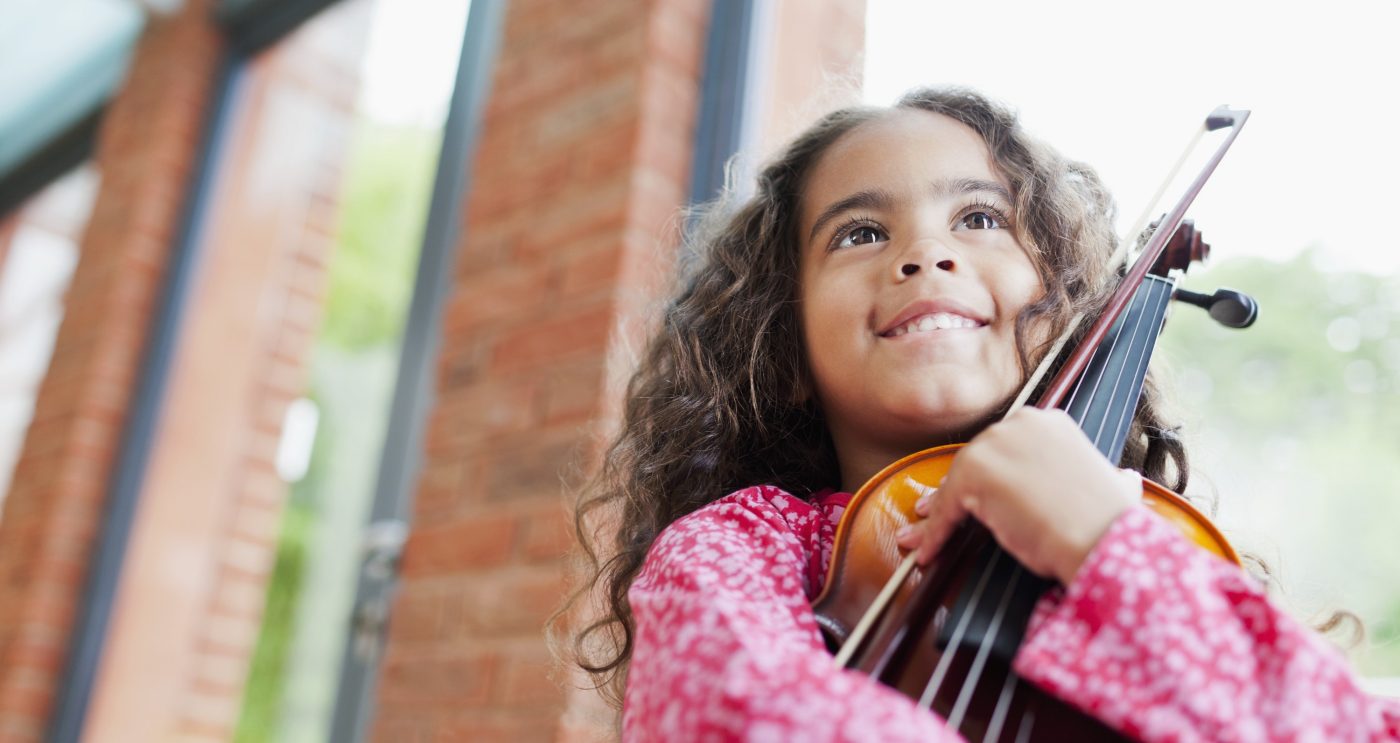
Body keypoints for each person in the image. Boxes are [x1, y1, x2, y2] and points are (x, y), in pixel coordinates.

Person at [555, 87, 1400, 741]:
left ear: (1061, 306)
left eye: (980, 217)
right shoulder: (741, 546)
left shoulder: (1150, 550)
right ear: (785, 355)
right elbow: (745, 713)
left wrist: (1109, 544)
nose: (927, 252)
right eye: (858, 234)